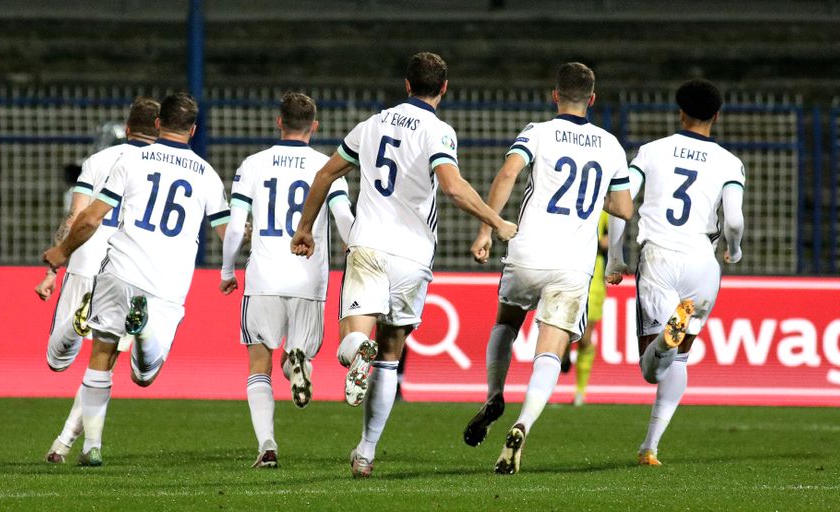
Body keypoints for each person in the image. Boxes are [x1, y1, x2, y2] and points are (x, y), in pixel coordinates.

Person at [290, 52, 517, 479]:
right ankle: (365, 452)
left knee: (353, 339)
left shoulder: (371, 125)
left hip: (369, 244)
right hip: (412, 256)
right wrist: (495, 220)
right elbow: (451, 186)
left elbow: (324, 175)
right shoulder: (439, 131)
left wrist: (304, 228)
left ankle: (358, 351)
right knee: (391, 356)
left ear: (407, 85)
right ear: (443, 89)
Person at [461, 62, 632, 474]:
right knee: (551, 350)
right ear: (593, 99)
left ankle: (493, 395)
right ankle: (523, 424)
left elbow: (507, 174)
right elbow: (624, 207)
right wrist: (596, 204)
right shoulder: (610, 145)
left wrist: (487, 229)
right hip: (574, 264)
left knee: (505, 324)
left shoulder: (537, 131)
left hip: (527, 252)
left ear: (554, 95)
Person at [42, 92, 230, 467]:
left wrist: (60, 254)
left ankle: (91, 445)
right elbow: (229, 233)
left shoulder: (128, 160)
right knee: (145, 374)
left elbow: (90, 217)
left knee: (97, 355)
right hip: (166, 282)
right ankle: (142, 332)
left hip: (118, 269)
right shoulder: (206, 174)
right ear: (193, 130)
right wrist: (233, 267)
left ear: (159, 124)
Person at [605, 80, 745, 467]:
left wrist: (615, 257)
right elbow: (733, 219)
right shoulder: (729, 162)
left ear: (680, 111)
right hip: (703, 262)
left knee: (653, 369)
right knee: (681, 362)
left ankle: (665, 342)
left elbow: (620, 203)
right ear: (716, 116)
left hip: (660, 258)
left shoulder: (651, 152)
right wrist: (733, 249)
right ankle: (650, 446)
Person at [220, 92, 355, 468]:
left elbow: (234, 227)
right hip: (309, 278)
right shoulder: (329, 166)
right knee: (302, 353)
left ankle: (267, 446)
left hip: (264, 277)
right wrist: (353, 249)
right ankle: (299, 365)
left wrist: (228, 270)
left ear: (278, 122)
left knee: (258, 365)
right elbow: (343, 217)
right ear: (314, 125)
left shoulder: (253, 164)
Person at [37, 97, 160, 464]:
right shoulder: (164, 168)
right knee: (103, 362)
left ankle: (71, 444)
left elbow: (76, 216)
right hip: (127, 269)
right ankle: (84, 444)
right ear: (159, 129)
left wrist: (51, 270)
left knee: (57, 361)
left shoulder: (97, 161)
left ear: (126, 128)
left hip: (86, 259)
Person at [562, 209, 608, 406]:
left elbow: (611, 239)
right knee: (559, 330)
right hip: (566, 268)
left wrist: (599, 241)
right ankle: (561, 357)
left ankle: (580, 392)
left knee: (585, 337)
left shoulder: (607, 207)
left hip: (594, 273)